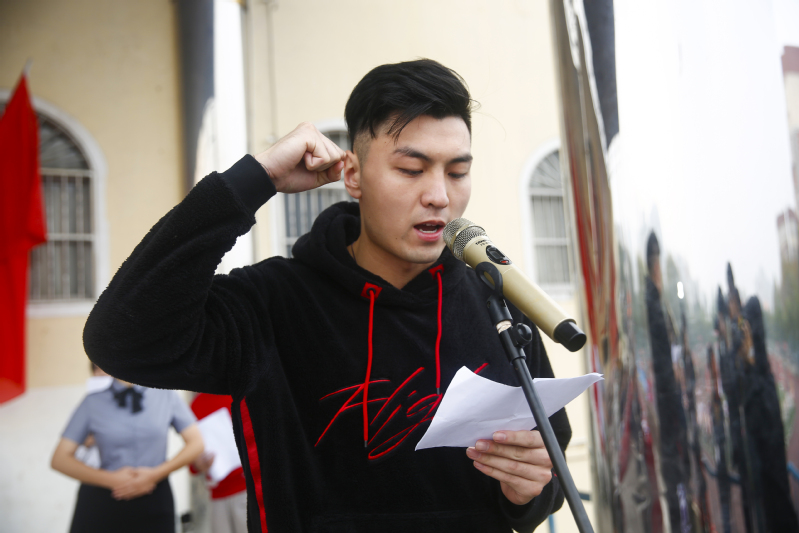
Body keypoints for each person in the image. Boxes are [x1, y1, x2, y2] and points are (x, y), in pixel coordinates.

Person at [84, 59, 571, 533]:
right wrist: (255, 180)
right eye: (411, 169)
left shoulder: (498, 305)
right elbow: (121, 339)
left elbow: (547, 473)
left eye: (457, 172)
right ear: (353, 175)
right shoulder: (271, 303)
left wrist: (527, 492)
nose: (439, 196)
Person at [51, 369, 204, 533]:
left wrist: (155, 474)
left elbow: (196, 443)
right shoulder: (92, 402)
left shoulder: (166, 395)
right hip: (107, 499)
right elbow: (59, 459)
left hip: (154, 494)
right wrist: (111, 479)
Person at [190, 393, 248, 533]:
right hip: (217, 494)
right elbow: (191, 460)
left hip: (246, 489)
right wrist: (198, 463)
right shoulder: (195, 405)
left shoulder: (242, 394)